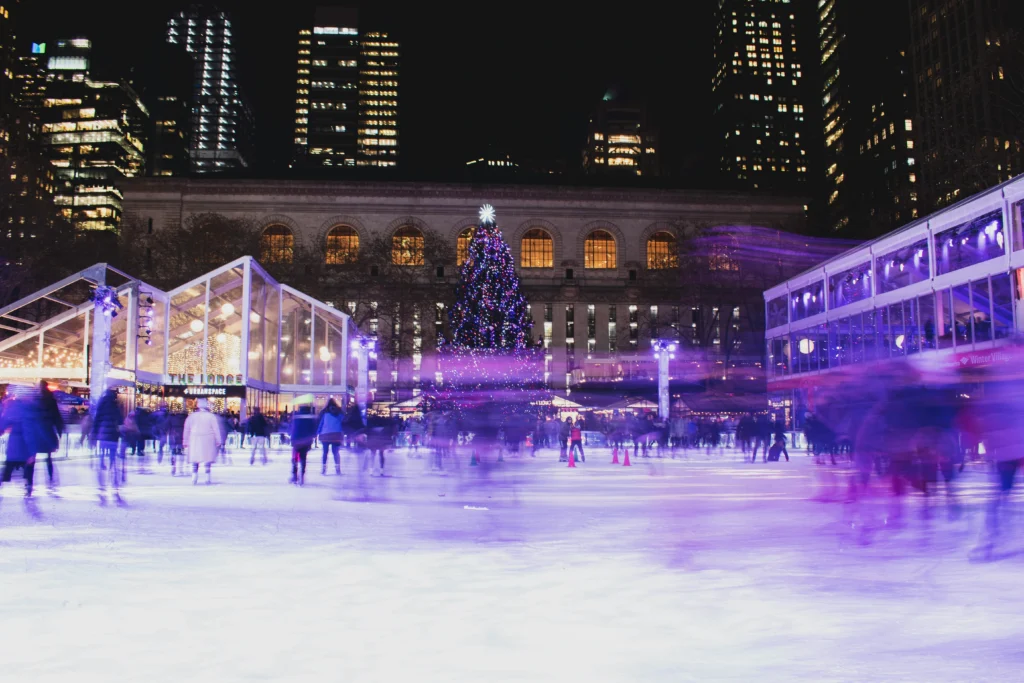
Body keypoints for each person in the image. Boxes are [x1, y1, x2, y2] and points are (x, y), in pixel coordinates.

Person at [0, 391, 39, 502]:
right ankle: (28, 488)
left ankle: (4, 482)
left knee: (8, 469)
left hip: (14, 445)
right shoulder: (31, 410)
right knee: (28, 469)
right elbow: (31, 433)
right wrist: (32, 452)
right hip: (25, 447)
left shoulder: (13, 409)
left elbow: (3, 424)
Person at [90, 388, 124, 505]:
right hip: (113, 438)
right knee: (113, 463)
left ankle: (102, 488)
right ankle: (115, 488)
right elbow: (120, 422)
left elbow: (96, 421)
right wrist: (121, 434)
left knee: (101, 463)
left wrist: (94, 436)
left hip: (102, 437)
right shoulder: (115, 406)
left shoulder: (101, 405)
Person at [183, 398, 224, 485]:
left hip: (194, 439)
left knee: (195, 459)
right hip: (208, 439)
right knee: (207, 459)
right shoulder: (211, 416)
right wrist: (218, 440)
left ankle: (194, 477)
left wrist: (185, 440)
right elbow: (216, 429)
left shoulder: (192, 416)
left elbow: (187, 429)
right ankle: (207, 477)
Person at [36, 381, 65, 494]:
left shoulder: (38, 399)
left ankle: (29, 482)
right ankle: (51, 478)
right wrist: (59, 430)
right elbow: (56, 416)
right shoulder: (51, 399)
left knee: (32, 456)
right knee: (48, 458)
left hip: (39, 431)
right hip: (48, 431)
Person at [289, 404, 318, 486]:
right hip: (306, 441)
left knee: (295, 458)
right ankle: (302, 475)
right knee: (303, 458)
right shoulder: (311, 417)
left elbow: (291, 427)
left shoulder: (296, 417)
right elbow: (313, 430)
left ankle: (294, 475)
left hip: (296, 441)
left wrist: (291, 435)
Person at [317, 399, 344, 475]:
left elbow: (321, 424)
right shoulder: (340, 413)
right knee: (336, 452)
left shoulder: (324, 413)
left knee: (325, 452)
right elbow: (343, 423)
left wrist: (318, 432)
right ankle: (338, 469)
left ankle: (324, 469)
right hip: (336, 435)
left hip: (325, 434)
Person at [167, 409, 187, 476]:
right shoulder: (185, 419)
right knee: (180, 448)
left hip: (173, 433)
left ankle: (173, 462)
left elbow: (168, 425)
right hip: (182, 433)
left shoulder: (172, 418)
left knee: (173, 448)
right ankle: (180, 463)